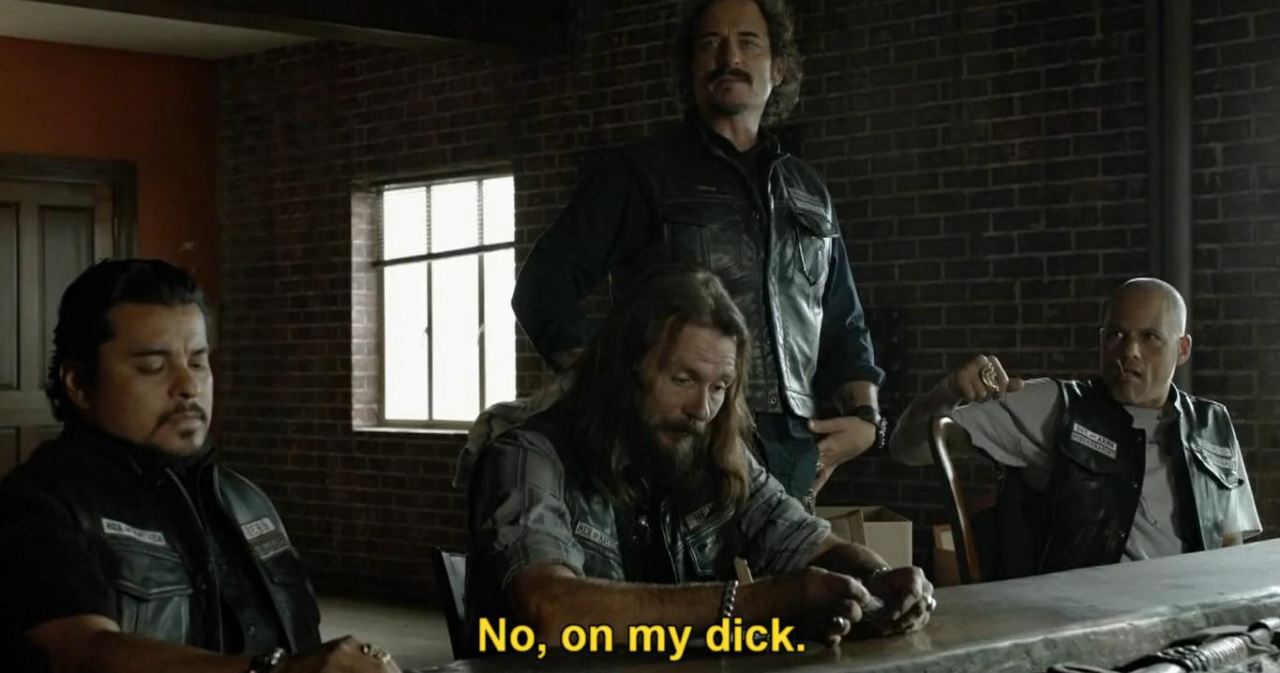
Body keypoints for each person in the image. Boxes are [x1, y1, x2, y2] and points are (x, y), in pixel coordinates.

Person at [511, 0, 885, 510]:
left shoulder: (810, 193)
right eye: (710, 43)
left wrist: (868, 420)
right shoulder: (639, 173)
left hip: (792, 451)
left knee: (790, 569)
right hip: (681, 443)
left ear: (778, 68)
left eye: (748, 42)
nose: (728, 56)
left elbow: (844, 321)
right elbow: (543, 287)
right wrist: (615, 391)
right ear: (691, 67)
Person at [467, 266, 932, 656]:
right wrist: (761, 602)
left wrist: (878, 578)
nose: (702, 409)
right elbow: (550, 608)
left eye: (719, 387)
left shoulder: (713, 454)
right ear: (626, 368)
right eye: (683, 379)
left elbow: (814, 545)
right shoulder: (528, 457)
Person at [0, 259, 399, 673]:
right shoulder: (36, 505)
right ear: (79, 384)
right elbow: (82, 651)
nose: (189, 386)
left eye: (197, 362)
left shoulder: (245, 502)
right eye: (153, 366)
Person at [888, 277, 1262, 579]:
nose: (1129, 351)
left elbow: (1230, 547)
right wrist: (948, 392)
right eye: (1116, 334)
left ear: (1182, 349)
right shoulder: (1056, 406)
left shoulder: (1211, 424)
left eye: (1149, 337)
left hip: (1189, 621)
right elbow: (906, 448)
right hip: (1081, 619)